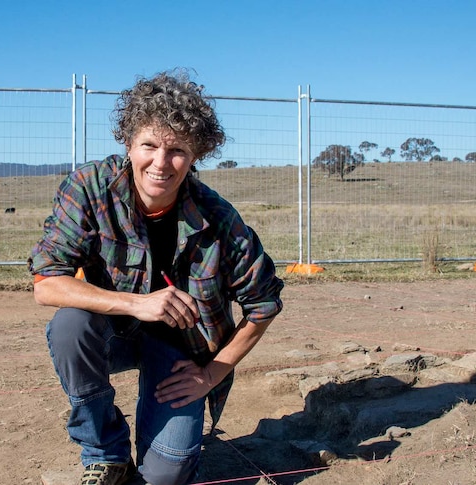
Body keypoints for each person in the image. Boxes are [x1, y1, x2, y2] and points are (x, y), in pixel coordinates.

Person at [28, 69, 284, 485]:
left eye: (178, 150)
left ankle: (163, 454)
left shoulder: (218, 218)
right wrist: (137, 303)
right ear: (128, 143)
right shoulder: (90, 187)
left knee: (167, 475)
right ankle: (105, 453)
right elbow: (47, 284)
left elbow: (264, 304)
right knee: (69, 325)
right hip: (112, 332)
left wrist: (212, 373)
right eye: (149, 144)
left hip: (181, 351)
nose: (160, 163)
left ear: (196, 155)